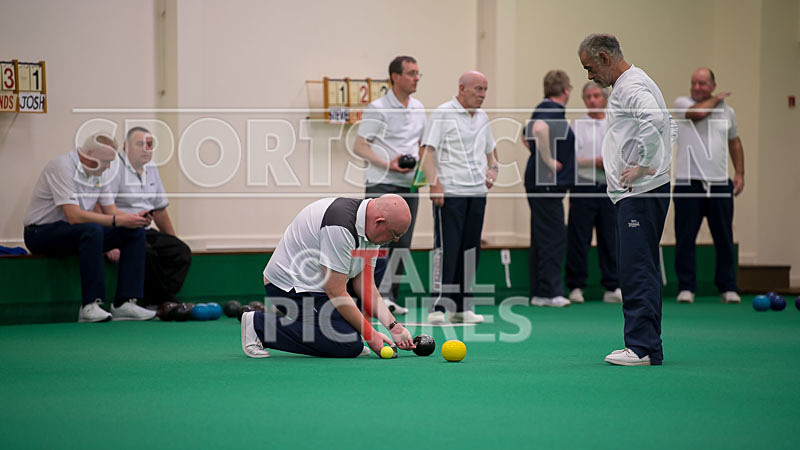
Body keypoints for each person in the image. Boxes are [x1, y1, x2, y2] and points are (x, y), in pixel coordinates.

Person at [578, 33, 677, 366]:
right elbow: (671, 126)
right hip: (642, 192)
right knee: (639, 266)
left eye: (590, 68)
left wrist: (643, 164)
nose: (589, 76)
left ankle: (642, 348)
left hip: (640, 194)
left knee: (636, 269)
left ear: (605, 58)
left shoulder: (631, 86)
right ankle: (647, 345)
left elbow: (658, 121)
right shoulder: (636, 81)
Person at [240, 194, 416, 358]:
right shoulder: (340, 226)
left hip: (321, 286)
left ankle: (337, 332)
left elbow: (365, 284)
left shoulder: (370, 227)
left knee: (378, 269)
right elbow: (335, 291)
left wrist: (394, 327)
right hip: (290, 288)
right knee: (348, 344)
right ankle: (258, 325)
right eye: (395, 234)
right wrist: (370, 335)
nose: (395, 240)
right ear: (379, 222)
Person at [23, 132, 156, 322]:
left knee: (134, 231)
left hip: (76, 232)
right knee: (91, 229)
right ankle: (90, 305)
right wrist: (117, 221)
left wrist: (135, 218)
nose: (109, 167)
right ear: (90, 157)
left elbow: (111, 211)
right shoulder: (61, 167)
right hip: (40, 233)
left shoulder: (99, 173)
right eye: (106, 162)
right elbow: (74, 216)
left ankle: (124, 303)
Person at [419, 71, 499, 324]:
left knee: (471, 250)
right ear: (462, 88)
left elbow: (491, 151)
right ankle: (438, 307)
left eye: (485, 89)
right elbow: (426, 151)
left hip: (477, 192)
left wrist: (493, 169)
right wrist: (435, 185)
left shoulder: (483, 117)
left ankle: (462, 307)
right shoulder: (443, 113)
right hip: (450, 193)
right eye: (478, 89)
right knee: (447, 250)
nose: (482, 95)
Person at [354, 56, 426, 315]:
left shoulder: (418, 108)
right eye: (411, 73)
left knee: (402, 242)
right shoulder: (378, 107)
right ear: (395, 77)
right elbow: (359, 146)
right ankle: (370, 296)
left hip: (410, 185)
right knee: (377, 243)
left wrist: (424, 172)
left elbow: (421, 146)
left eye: (418, 73)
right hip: (381, 183)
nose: (416, 78)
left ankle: (389, 296)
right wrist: (389, 163)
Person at [673, 68, 744, 304]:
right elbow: (699, 113)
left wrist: (740, 173)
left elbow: (734, 142)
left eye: (702, 83)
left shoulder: (728, 112)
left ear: (712, 85)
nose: (697, 87)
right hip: (687, 182)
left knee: (724, 236)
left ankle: (728, 287)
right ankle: (686, 287)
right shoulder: (682, 103)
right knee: (685, 238)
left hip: (719, 182)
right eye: (694, 82)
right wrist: (719, 98)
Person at [108, 127, 192, 306]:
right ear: (125, 147)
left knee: (180, 252)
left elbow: (160, 210)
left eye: (149, 144)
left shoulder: (151, 169)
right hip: (121, 231)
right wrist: (107, 245)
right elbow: (103, 206)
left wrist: (172, 239)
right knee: (147, 252)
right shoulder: (114, 168)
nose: (146, 148)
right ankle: (164, 301)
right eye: (140, 144)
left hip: (144, 229)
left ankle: (160, 300)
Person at [523, 70, 576, 308]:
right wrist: (547, 160)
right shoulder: (552, 110)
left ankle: (540, 291)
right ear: (566, 90)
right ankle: (552, 291)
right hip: (546, 184)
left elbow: (525, 133)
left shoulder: (541, 108)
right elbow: (538, 130)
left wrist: (537, 154)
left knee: (542, 235)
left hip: (540, 183)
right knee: (554, 236)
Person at [565, 81, 621, 304]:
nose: (593, 100)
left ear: (605, 99)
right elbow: (571, 160)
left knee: (610, 237)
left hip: (609, 187)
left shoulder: (615, 124)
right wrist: (594, 162)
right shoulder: (576, 127)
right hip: (584, 186)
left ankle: (612, 285)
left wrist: (609, 163)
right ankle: (576, 286)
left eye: (597, 96)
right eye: (589, 97)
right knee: (579, 239)